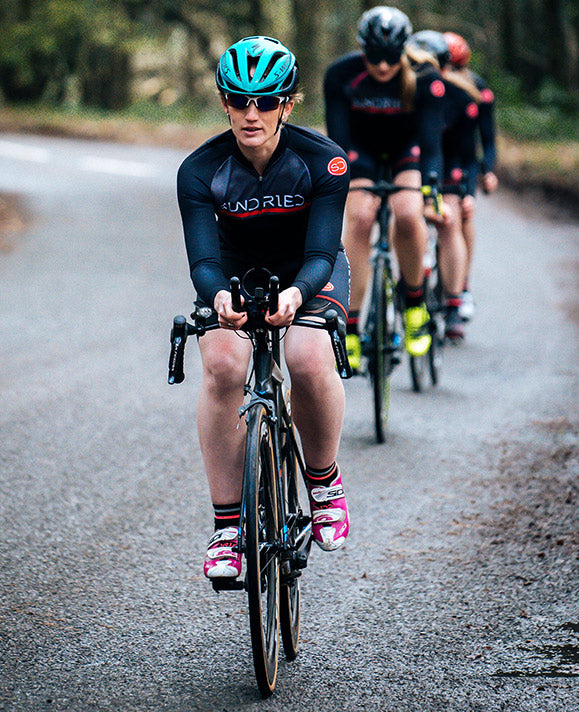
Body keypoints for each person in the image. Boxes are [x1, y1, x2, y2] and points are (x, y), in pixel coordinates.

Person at [177, 36, 351, 579]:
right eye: (238, 100)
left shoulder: (324, 161)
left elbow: (323, 250)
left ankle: (324, 485)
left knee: (305, 355)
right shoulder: (198, 170)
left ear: (288, 104)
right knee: (223, 365)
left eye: (267, 102)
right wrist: (219, 298)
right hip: (232, 273)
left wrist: (298, 295)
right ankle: (228, 528)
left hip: (308, 268)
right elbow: (203, 262)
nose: (252, 115)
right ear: (223, 102)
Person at [323, 6, 447, 368]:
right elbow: (339, 142)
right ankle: (350, 325)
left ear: (404, 50)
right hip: (360, 153)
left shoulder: (425, 77)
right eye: (374, 57)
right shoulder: (341, 74)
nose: (381, 67)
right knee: (360, 218)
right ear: (362, 49)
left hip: (405, 153)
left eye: (390, 58)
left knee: (408, 214)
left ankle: (414, 304)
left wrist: (432, 187)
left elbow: (431, 143)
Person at [405, 30, 481, 340]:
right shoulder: (402, 94)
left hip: (447, 168)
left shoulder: (462, 99)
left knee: (448, 220)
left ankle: (453, 302)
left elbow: (468, 155)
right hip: (408, 166)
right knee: (405, 217)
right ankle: (406, 281)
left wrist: (468, 192)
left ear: (446, 68)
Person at [444, 31, 499, 322]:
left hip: (460, 159)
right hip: (428, 158)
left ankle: (461, 286)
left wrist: (488, 170)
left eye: (455, 67)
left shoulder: (476, 90)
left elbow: (486, 140)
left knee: (463, 213)